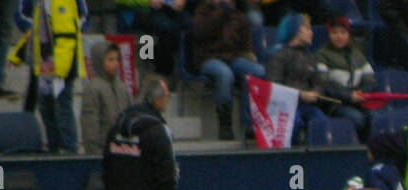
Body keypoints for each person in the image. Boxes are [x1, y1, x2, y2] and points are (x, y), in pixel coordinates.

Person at [15, 0, 87, 154]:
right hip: (43, 64)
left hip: (63, 67)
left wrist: (61, 70)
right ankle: (53, 151)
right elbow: (34, 30)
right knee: (46, 109)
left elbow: (68, 35)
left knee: (63, 109)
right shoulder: (40, 5)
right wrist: (18, 54)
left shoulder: (64, 3)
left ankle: (69, 151)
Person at [191, 0, 264, 140]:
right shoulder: (204, 10)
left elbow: (246, 43)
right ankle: (225, 125)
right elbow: (200, 33)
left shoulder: (238, 15)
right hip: (209, 58)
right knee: (225, 74)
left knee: (258, 71)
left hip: (234, 57)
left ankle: (250, 122)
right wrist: (220, 13)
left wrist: (249, 54)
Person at [264, 11, 325, 145]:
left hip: (306, 106)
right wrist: (301, 94)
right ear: (297, 30)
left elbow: (318, 83)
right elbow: (274, 86)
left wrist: (316, 92)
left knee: (321, 122)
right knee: (294, 124)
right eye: (308, 28)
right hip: (284, 108)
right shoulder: (278, 55)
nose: (311, 32)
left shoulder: (310, 56)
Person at [314, 15, 376, 141]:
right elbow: (324, 84)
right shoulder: (321, 55)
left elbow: (370, 80)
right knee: (357, 119)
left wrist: (360, 93)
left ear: (348, 35)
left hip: (359, 101)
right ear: (329, 35)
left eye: (343, 32)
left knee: (374, 117)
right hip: (335, 104)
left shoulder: (358, 55)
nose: (339, 36)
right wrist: (349, 96)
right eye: (334, 32)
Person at [80, 40, 131, 155]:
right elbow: (90, 128)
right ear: (99, 62)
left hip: (124, 151)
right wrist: (96, 155)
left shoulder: (122, 87)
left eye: (117, 59)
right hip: (103, 152)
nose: (116, 63)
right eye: (110, 60)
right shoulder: (93, 89)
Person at [115, 0, 188, 79]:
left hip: (165, 8)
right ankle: (163, 74)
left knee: (189, 24)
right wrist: (147, 2)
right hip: (137, 11)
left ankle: (189, 71)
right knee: (167, 28)